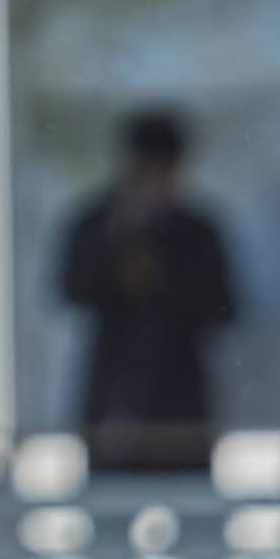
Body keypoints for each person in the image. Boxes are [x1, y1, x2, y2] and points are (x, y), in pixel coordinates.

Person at [53, 108, 238, 471]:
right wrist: (116, 245)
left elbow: (224, 309)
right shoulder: (95, 223)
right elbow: (71, 289)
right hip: (112, 399)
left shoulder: (197, 232)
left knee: (194, 516)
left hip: (182, 407)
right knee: (109, 514)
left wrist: (164, 273)